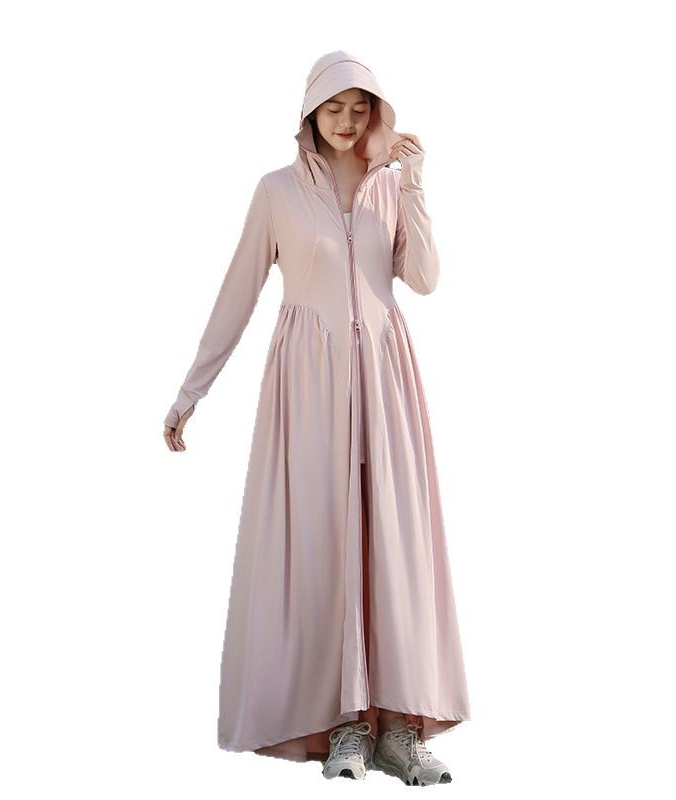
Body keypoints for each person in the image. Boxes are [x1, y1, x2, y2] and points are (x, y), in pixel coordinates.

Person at [163, 50, 470, 786]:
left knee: (394, 545)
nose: (348, 121)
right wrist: (191, 392)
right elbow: (237, 294)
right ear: (309, 113)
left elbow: (424, 279)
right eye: (334, 108)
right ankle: (345, 726)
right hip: (307, 386)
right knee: (323, 544)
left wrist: (416, 182)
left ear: (376, 114)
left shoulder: (390, 187)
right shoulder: (276, 191)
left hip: (387, 385)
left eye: (361, 109)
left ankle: (401, 728)